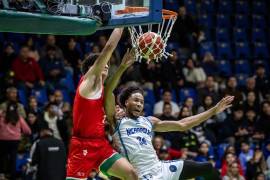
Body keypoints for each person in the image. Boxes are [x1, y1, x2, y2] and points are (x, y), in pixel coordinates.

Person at [106, 82, 233, 179]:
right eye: (136, 100)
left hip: (161, 168)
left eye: (142, 102)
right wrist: (121, 67)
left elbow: (183, 124)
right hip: (142, 175)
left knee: (207, 167)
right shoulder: (117, 121)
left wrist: (213, 111)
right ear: (126, 102)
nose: (139, 104)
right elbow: (108, 94)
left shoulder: (149, 121)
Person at [66, 28, 138, 180]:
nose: (106, 64)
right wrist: (121, 24)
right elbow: (109, 48)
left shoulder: (102, 90)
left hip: (100, 144)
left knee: (131, 174)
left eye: (107, 63)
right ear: (89, 70)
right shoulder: (88, 83)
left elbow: (110, 89)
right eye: (101, 62)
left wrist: (123, 67)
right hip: (82, 146)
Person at [0, 102, 31, 180]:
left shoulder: (1, 117)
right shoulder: (19, 117)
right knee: (13, 158)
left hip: (3, 140)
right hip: (15, 141)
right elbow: (27, 131)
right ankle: (12, 176)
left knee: (2, 157)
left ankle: (2, 174)